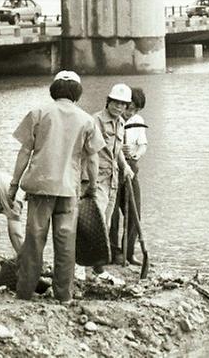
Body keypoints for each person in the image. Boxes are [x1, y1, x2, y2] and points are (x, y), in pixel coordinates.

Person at [10, 70, 105, 302]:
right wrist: (92, 187)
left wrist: (14, 185)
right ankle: (64, 296)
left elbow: (24, 151)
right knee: (65, 244)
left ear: (54, 90)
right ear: (77, 92)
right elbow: (93, 159)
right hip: (68, 190)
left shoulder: (38, 113)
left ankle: (24, 293)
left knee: (34, 242)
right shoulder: (86, 120)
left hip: (40, 188)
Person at [88, 83, 135, 277]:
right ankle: (85, 265)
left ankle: (97, 265)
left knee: (106, 223)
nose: (119, 107)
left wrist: (125, 167)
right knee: (94, 222)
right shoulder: (95, 121)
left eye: (123, 105)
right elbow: (91, 151)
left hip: (113, 178)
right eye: (115, 103)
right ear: (108, 102)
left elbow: (117, 151)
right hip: (97, 176)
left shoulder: (121, 123)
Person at [109, 87, 148, 265]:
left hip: (131, 169)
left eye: (135, 110)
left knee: (134, 212)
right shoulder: (112, 120)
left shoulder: (138, 121)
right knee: (112, 215)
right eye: (129, 108)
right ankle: (113, 253)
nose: (130, 113)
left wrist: (135, 153)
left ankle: (129, 252)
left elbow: (143, 145)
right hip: (112, 172)